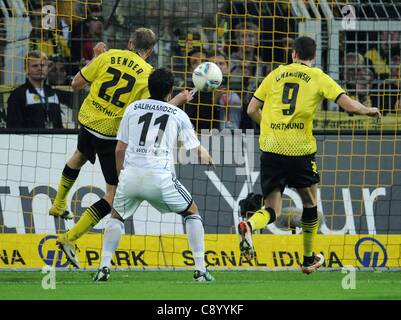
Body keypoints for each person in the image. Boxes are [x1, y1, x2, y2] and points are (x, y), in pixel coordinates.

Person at [238, 36, 381, 274]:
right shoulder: (318, 77)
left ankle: (250, 225)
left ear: (293, 54)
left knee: (272, 207)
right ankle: (307, 258)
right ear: (313, 57)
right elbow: (347, 105)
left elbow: (252, 108)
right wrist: (368, 110)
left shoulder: (275, 74)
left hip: (271, 148)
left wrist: (270, 127)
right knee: (310, 203)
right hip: (300, 150)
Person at [51, 28, 192, 268]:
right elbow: (155, 110)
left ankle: (59, 203)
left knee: (79, 156)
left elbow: (75, 84)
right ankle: (69, 238)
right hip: (109, 134)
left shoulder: (108, 56)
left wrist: (96, 59)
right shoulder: (147, 74)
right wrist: (177, 101)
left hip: (87, 120)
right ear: (150, 51)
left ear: (129, 42)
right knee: (112, 196)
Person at [93, 68, 215, 282]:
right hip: (160, 179)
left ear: (148, 86)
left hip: (130, 177)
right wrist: (207, 157)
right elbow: (196, 148)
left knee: (116, 216)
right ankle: (200, 270)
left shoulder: (132, 109)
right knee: (192, 211)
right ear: (170, 90)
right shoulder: (179, 114)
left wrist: (122, 175)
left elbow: (119, 149)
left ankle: (103, 267)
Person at [6, 51, 63, 129]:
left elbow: (59, 125)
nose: (40, 68)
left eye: (42, 65)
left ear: (47, 68)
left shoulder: (53, 93)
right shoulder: (18, 95)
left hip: (54, 139)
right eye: (35, 66)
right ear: (26, 69)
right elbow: (13, 127)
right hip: (28, 140)